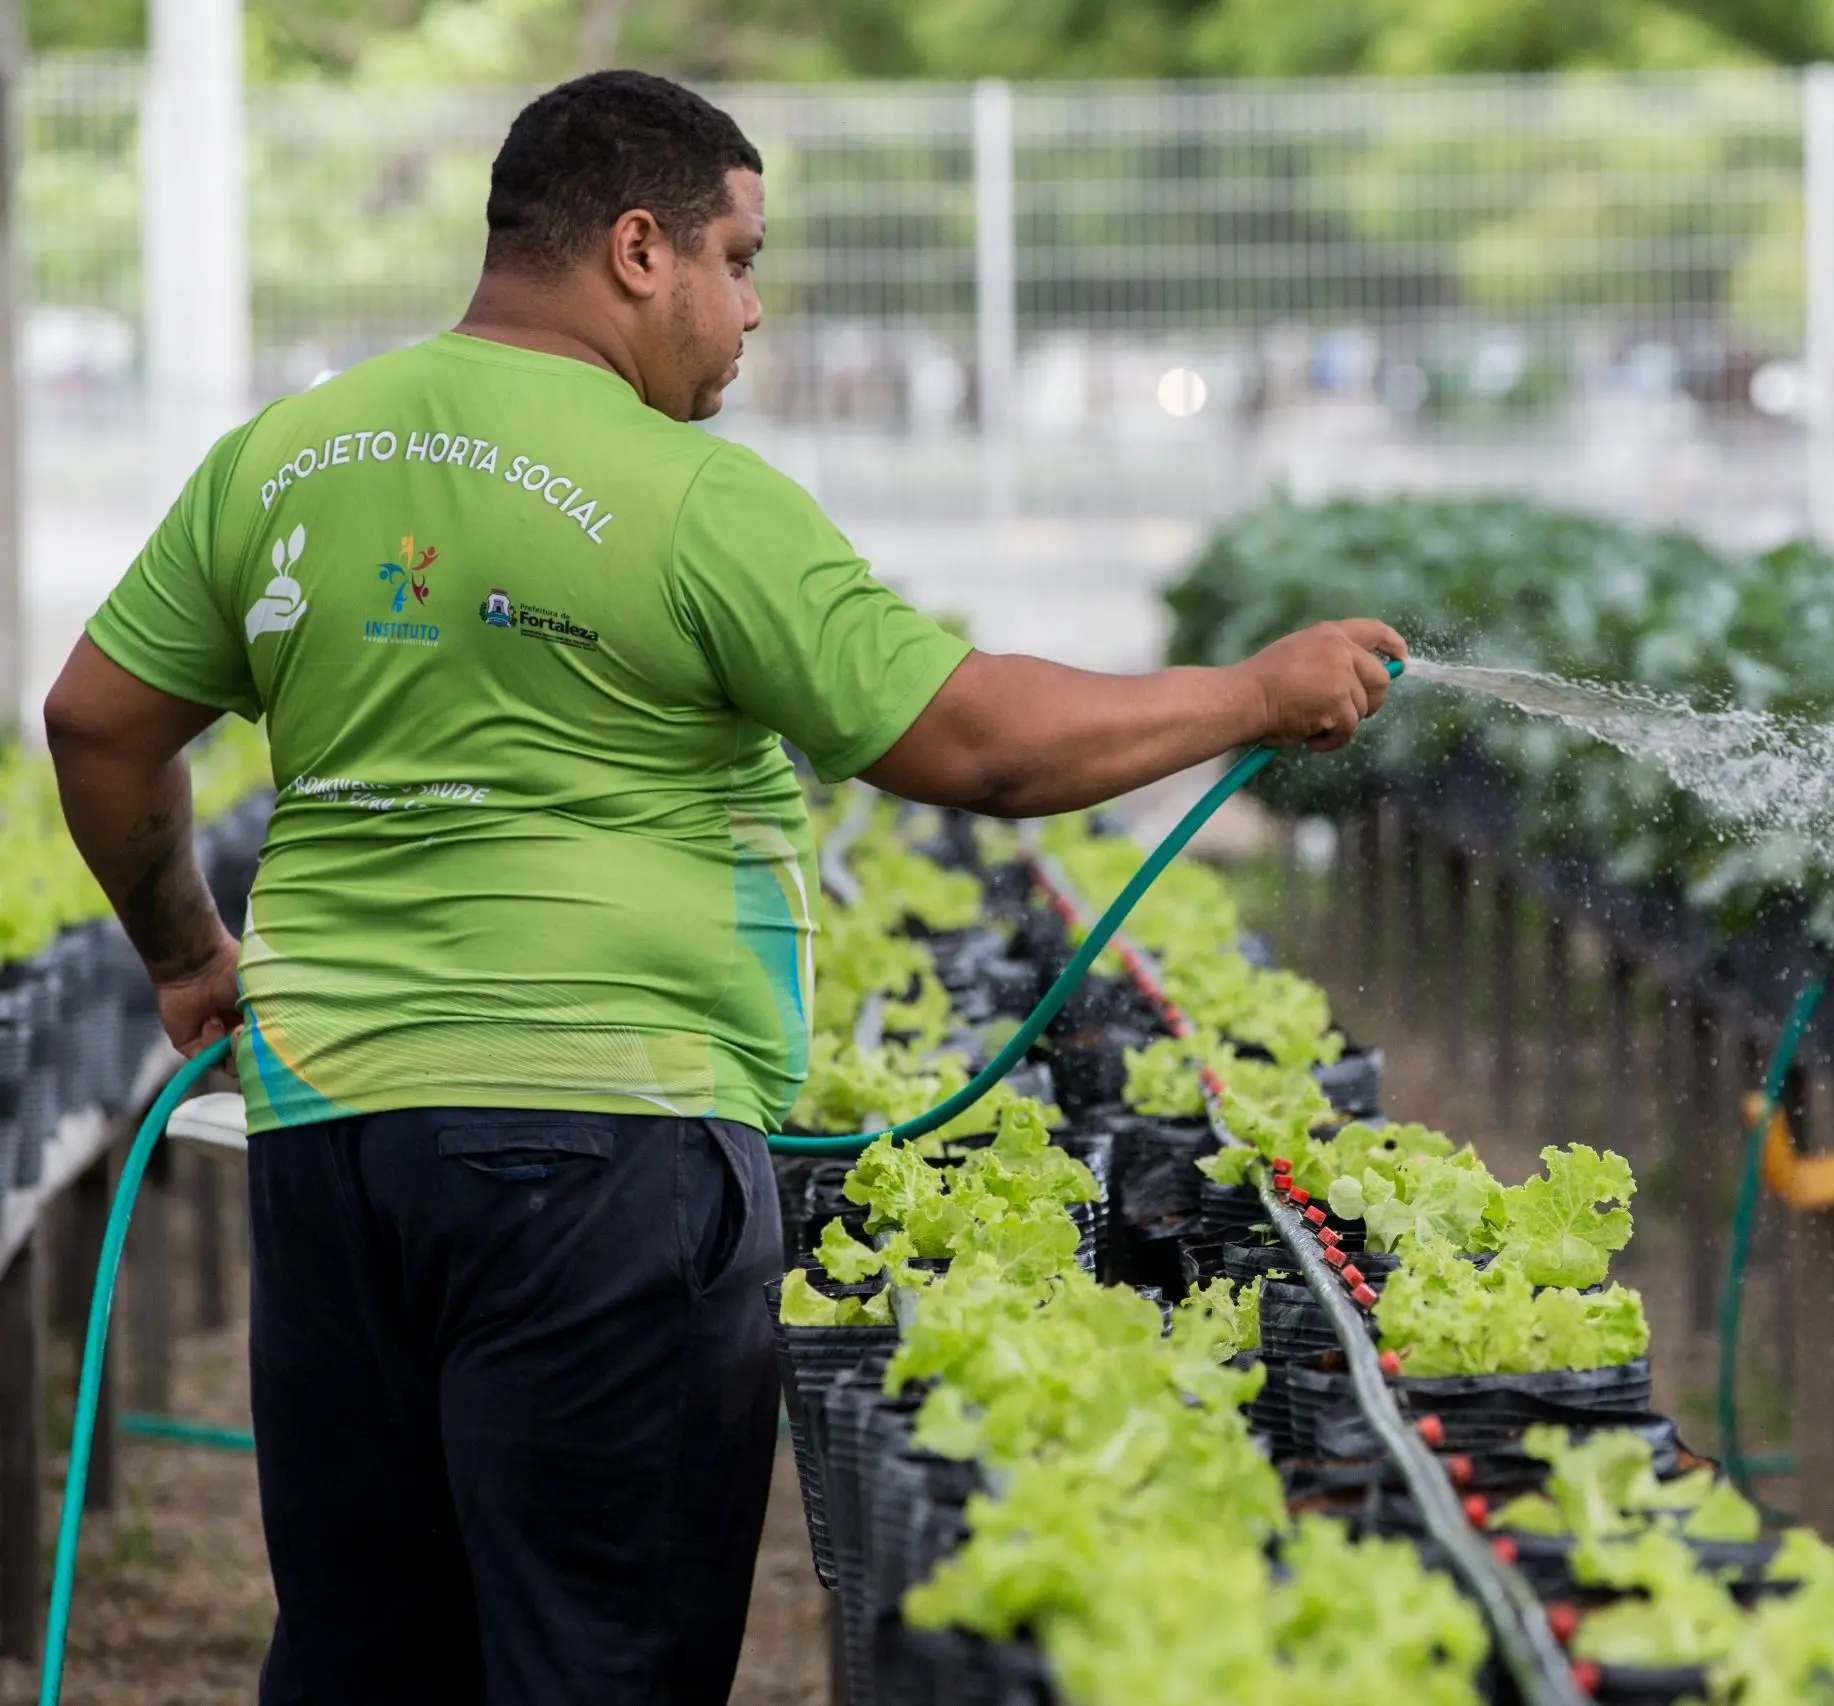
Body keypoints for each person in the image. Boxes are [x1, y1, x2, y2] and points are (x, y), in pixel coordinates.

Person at [40, 70, 1400, 1706]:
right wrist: (1250, 697)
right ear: (637, 250)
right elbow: (976, 744)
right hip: (604, 1154)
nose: (752, 310)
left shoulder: (283, 457)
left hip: (333, 1142)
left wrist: (190, 955)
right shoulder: (689, 499)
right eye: (738, 260)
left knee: (365, 1649)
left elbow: (99, 722)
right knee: (594, 1657)